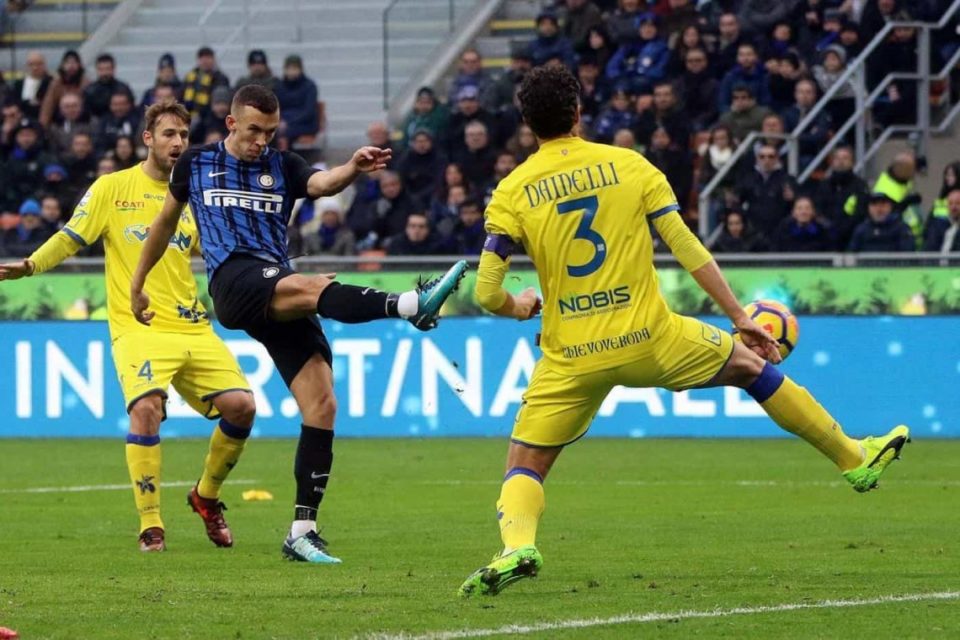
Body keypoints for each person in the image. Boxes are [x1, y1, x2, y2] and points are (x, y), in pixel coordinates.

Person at [459, 66, 909, 597]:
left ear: (527, 123)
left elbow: (485, 293)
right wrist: (739, 316)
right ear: (578, 111)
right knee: (753, 369)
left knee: (525, 463)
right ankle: (854, 459)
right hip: (650, 337)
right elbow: (686, 245)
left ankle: (518, 546)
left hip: (570, 355)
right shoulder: (629, 165)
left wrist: (519, 307)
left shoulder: (512, 191)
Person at [130, 85, 467, 564]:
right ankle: (412, 304)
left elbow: (322, 184)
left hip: (275, 283)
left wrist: (353, 166)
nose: (261, 141)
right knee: (309, 286)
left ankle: (302, 532)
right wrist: (137, 283)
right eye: (253, 131)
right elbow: (165, 223)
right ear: (231, 124)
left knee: (322, 403)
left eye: (269, 132)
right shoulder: (196, 163)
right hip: (234, 280)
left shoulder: (282, 164)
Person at [0, 100, 256, 553]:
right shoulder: (112, 188)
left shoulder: (195, 194)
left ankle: (206, 496)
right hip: (138, 327)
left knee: (242, 408)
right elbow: (70, 237)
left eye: (184, 135)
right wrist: (31, 265)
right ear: (148, 139)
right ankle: (151, 524)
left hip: (192, 327)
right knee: (146, 408)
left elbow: (223, 253)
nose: (178, 143)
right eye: (169, 134)